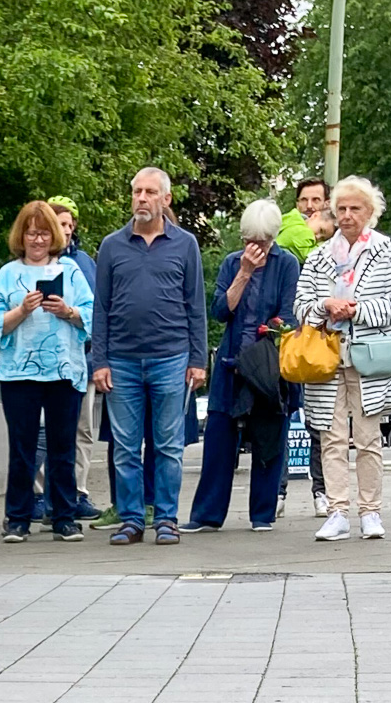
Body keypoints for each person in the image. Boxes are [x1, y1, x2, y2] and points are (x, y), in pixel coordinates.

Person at [90, 169, 205, 547]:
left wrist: (198, 359)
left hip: (171, 357)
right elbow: (101, 308)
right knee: (125, 447)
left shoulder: (185, 244)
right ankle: (131, 520)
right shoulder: (111, 245)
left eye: (150, 192)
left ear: (165, 200)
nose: (141, 198)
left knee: (169, 445)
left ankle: (167, 519)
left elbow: (195, 305)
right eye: (137, 191)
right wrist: (100, 361)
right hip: (121, 360)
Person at [297, 176, 391, 542]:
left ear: (371, 212)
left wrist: (358, 310)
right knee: (330, 437)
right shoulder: (318, 256)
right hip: (326, 358)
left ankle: (370, 511)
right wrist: (324, 305)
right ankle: (336, 511)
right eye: (342, 208)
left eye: (355, 208)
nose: (347, 215)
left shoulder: (388, 251)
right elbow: (300, 305)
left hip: (369, 358)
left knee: (367, 438)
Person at [186, 200, 301, 532]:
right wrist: (244, 273)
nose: (256, 248)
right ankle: (207, 514)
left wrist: (270, 331)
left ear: (273, 237)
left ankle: (262, 514)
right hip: (231, 363)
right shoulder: (231, 263)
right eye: (249, 240)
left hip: (267, 366)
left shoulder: (288, 264)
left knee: (268, 438)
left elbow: (289, 316)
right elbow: (221, 310)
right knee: (219, 439)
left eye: (262, 241)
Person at [0, 201, 96, 543]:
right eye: (31, 233)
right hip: (18, 372)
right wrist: (22, 309)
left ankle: (64, 516)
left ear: (55, 235)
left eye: (43, 233)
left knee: (62, 446)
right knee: (21, 448)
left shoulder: (71, 270)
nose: (37, 240)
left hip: (64, 371)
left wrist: (66, 311)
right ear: (21, 236)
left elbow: (93, 316)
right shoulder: (7, 273)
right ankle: (18, 518)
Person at [45, 197, 105, 523]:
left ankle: (77, 492)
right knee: (47, 433)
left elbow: (96, 311)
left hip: (82, 359)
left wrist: (98, 359)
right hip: (44, 364)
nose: (66, 231)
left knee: (83, 430)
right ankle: (44, 494)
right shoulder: (30, 264)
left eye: (70, 225)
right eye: (60, 224)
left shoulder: (84, 263)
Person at [277, 179, 328, 263]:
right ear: (297, 204)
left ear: (327, 204)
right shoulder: (278, 225)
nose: (309, 206)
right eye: (304, 200)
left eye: (316, 200)